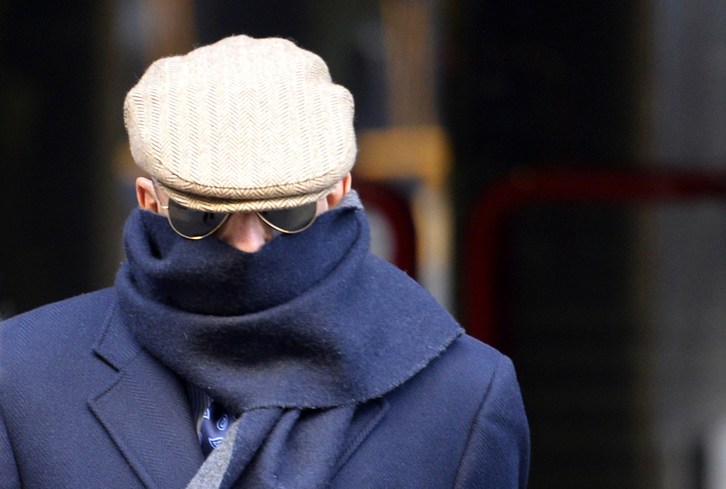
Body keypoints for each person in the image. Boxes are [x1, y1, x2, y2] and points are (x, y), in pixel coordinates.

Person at [0, 35, 529, 488]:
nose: (249, 242)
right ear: (149, 199)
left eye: (285, 211)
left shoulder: (463, 397)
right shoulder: (23, 378)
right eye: (204, 216)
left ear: (337, 192)